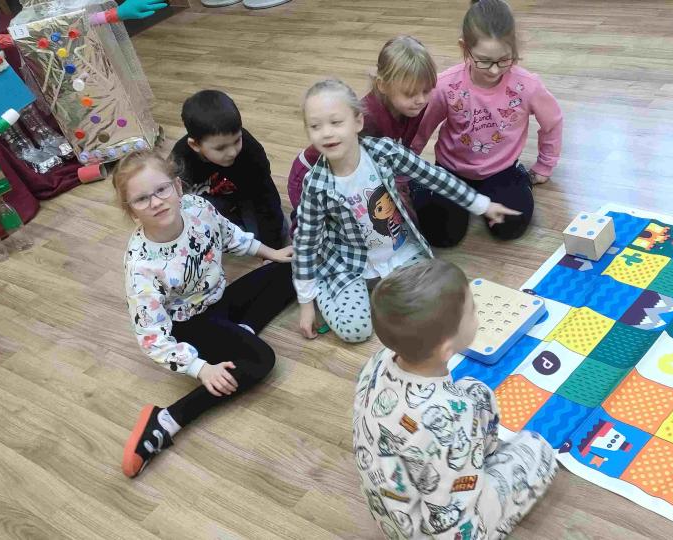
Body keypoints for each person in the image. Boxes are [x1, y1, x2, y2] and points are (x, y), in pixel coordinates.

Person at [292, 79, 519, 343]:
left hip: (401, 252)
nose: (326, 133)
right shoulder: (315, 185)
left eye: (336, 122)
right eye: (315, 126)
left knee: (439, 302)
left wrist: (482, 204)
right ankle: (330, 288)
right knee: (356, 332)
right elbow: (306, 243)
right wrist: (306, 303)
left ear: (358, 122)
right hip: (349, 266)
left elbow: (434, 176)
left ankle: (382, 287)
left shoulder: (384, 152)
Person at [115, 153, 294, 478]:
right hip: (189, 325)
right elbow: (152, 338)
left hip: (219, 299)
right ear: (131, 211)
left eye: (161, 190)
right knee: (261, 361)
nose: (155, 202)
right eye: (142, 199)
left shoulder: (197, 207)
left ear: (177, 186)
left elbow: (230, 236)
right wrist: (201, 369)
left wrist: (273, 254)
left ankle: (239, 333)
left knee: (291, 268)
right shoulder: (141, 267)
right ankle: (167, 420)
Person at [353, 259, 558, 538]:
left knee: (475, 391)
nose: (478, 312)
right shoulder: (450, 416)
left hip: (393, 513)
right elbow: (446, 516)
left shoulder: (378, 361)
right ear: (446, 349)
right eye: (472, 310)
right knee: (538, 450)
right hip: (442, 531)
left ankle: (476, 462)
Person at [411, 0, 563, 247]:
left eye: (504, 60)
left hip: (501, 171)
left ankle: (518, 180)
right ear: (464, 48)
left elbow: (552, 122)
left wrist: (545, 165)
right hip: (451, 171)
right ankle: (422, 187)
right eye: (484, 61)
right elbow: (421, 129)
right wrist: (406, 170)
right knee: (441, 236)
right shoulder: (446, 85)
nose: (494, 70)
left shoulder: (527, 85)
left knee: (511, 227)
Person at [286, 35, 439, 234]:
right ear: (382, 85)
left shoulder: (413, 107)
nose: (421, 100)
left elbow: (400, 149)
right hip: (312, 178)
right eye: (410, 94)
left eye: (426, 91)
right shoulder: (369, 120)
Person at [171, 90, 287, 249]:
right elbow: (172, 200)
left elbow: (266, 197)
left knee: (274, 233)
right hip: (209, 202)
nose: (232, 152)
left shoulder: (251, 151)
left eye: (237, 140)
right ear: (195, 145)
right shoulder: (180, 160)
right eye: (220, 148)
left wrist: (272, 249)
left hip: (246, 197)